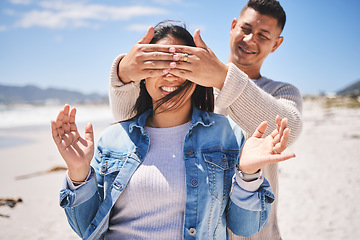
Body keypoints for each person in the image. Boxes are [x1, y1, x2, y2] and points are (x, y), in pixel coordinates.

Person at [51, 22, 295, 240]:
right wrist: (79, 173)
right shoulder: (113, 139)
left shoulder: (226, 134)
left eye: (181, 64)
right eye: (157, 64)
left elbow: (245, 227)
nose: (169, 73)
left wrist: (249, 175)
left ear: (198, 75)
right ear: (142, 76)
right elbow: (87, 229)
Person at [108, 1, 302, 239]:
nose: (250, 39)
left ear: (277, 44)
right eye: (246, 28)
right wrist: (123, 74)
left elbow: (287, 131)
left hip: (257, 233)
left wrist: (223, 78)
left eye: (263, 35)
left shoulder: (281, 91)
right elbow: (131, 121)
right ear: (233, 26)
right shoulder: (195, 80)